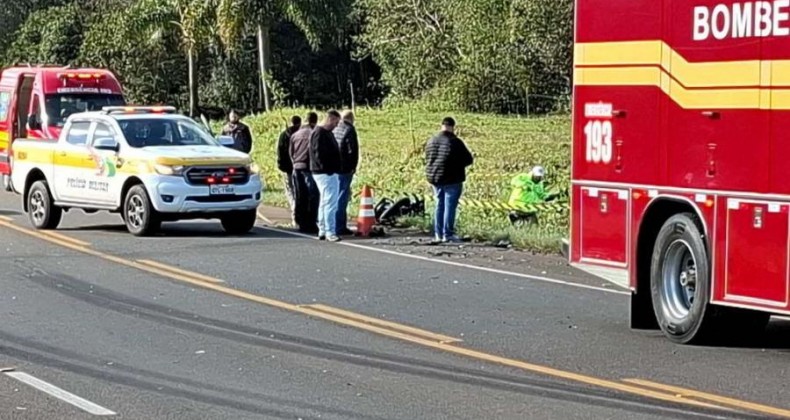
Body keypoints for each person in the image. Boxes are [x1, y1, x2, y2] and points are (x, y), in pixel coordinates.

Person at [424, 117, 474, 243]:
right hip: (453, 179)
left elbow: (428, 159)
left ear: (442, 125)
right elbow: (468, 159)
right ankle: (448, 234)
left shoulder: (431, 140)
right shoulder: (455, 142)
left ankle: (438, 234)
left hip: (435, 178)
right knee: (450, 207)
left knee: (439, 205)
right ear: (452, 127)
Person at [309, 110, 343, 242]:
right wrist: (329, 169)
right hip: (325, 172)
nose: (336, 125)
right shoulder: (320, 133)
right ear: (330, 119)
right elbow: (318, 154)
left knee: (324, 202)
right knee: (330, 202)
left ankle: (322, 229)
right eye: (335, 122)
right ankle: (330, 231)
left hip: (323, 172)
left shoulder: (324, 133)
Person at [290, 112, 320, 234]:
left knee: (300, 195)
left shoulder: (295, 135)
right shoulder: (313, 134)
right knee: (312, 196)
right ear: (314, 122)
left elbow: (290, 152)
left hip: (296, 167)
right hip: (308, 167)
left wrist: (294, 163)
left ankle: (301, 222)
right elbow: (315, 152)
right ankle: (311, 223)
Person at [332, 110, 359, 235]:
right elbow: (352, 150)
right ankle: (340, 226)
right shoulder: (349, 130)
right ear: (351, 119)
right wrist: (353, 167)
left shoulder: (335, 128)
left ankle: (332, 224)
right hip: (345, 168)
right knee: (342, 196)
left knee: (334, 196)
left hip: (334, 168)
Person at [277, 115, 302, 225]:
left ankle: (294, 209)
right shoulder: (302, 134)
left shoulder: (284, 135)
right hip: (300, 166)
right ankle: (298, 211)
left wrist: (281, 165)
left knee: (290, 190)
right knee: (299, 190)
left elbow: (280, 151)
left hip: (287, 167)